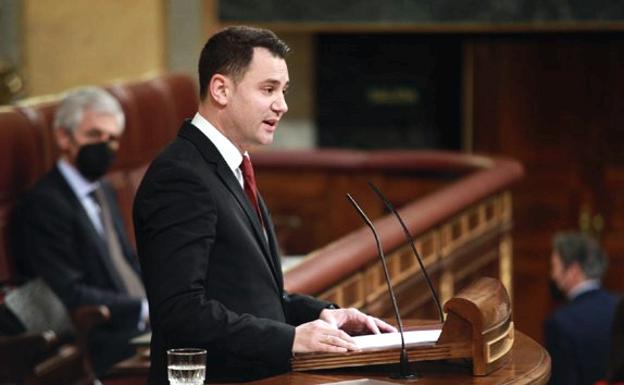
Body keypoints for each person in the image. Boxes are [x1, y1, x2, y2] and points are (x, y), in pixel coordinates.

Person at [133, 25, 396, 384]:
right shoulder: (180, 176)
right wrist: (290, 339)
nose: (282, 105)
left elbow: (253, 298)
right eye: (268, 89)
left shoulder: (233, 166)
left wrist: (325, 314)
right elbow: (180, 311)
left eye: (283, 91)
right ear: (221, 89)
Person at [12, 87, 149, 375]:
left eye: (112, 139)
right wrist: (141, 309)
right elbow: (68, 293)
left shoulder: (103, 189)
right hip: (95, 336)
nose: (104, 146)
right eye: (94, 135)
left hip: (135, 322)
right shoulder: (44, 204)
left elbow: (124, 259)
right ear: (64, 137)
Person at [545, 232, 618, 385]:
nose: (553, 276)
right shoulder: (620, 304)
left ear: (573, 271)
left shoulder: (560, 324)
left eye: (554, 267)